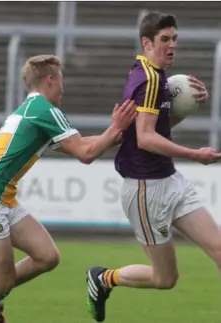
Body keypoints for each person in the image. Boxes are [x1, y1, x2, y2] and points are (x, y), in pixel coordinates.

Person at [86, 11, 221, 322]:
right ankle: (104, 278)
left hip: (170, 180)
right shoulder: (147, 80)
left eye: (174, 39)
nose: (172, 45)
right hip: (147, 190)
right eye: (164, 40)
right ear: (146, 42)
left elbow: (151, 128)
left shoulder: (154, 75)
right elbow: (146, 139)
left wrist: (190, 101)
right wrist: (194, 154)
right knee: (165, 279)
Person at [0, 54, 137, 323]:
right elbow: (86, 153)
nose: (64, 89)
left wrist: (116, 135)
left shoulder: (33, 109)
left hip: (3, 198)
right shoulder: (45, 110)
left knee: (47, 256)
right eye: (61, 82)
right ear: (50, 80)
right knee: (3, 281)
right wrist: (113, 129)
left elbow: (80, 143)